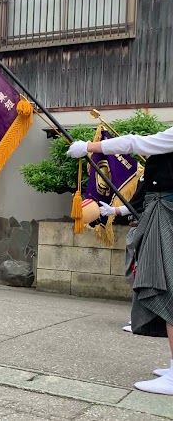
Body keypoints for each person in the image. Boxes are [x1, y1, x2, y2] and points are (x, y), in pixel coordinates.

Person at [68, 126, 173, 394]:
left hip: (167, 214)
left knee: (168, 286)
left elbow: (136, 142)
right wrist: (114, 209)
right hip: (160, 210)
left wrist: (89, 147)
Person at [98, 178, 146, 333]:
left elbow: (137, 203)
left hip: (146, 227)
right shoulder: (147, 171)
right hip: (139, 226)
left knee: (139, 273)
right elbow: (136, 203)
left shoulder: (157, 171)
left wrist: (115, 211)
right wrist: (115, 210)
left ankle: (141, 318)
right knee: (134, 272)